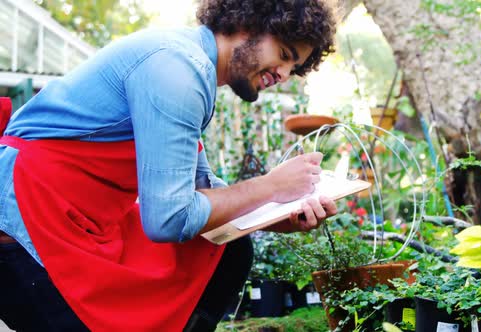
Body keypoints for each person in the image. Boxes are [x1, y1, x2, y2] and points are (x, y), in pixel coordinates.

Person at [0, 0, 339, 331]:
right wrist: (270, 186)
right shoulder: (177, 69)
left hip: (78, 219)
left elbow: (201, 189)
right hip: (28, 218)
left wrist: (278, 213)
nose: (283, 75)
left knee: (228, 251)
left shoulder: (192, 67)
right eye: (283, 54)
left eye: (292, 68)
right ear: (248, 23)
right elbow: (169, 219)